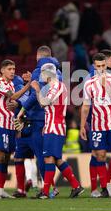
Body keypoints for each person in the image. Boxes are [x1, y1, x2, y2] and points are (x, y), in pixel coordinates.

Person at [30, 64, 84, 199]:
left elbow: (44, 102)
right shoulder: (55, 86)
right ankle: (76, 186)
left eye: (43, 72)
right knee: (56, 159)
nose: (41, 75)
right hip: (53, 125)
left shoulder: (56, 85)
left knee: (49, 158)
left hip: (55, 126)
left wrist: (37, 90)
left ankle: (45, 192)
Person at [17, 46, 62, 197]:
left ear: (37, 56)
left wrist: (22, 111)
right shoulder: (58, 71)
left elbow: (34, 97)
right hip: (52, 119)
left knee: (42, 156)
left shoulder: (40, 70)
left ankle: (49, 189)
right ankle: (69, 185)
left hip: (39, 118)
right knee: (51, 156)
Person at [80, 53, 111, 198]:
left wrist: (107, 86)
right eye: (98, 66)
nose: (100, 69)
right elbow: (86, 106)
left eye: (103, 66)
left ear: (106, 65)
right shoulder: (89, 83)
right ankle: (106, 187)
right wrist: (82, 126)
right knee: (100, 156)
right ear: (94, 66)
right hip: (98, 125)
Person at [0, 60, 30, 199]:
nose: (12, 71)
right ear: (2, 70)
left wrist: (15, 103)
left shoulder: (11, 84)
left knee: (7, 157)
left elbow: (13, 100)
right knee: (0, 154)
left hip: (10, 124)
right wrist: (29, 84)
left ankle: (0, 189)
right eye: (9, 69)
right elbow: (13, 96)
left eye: (14, 68)